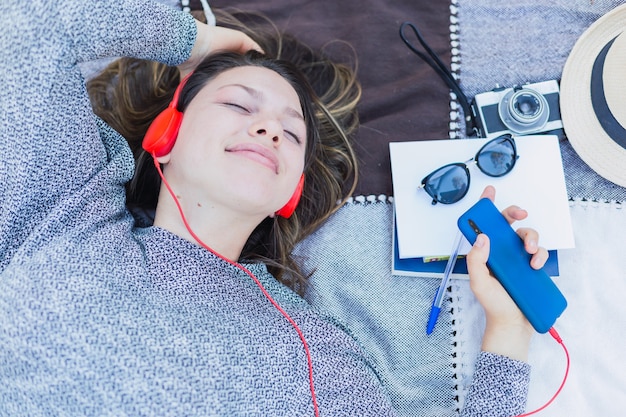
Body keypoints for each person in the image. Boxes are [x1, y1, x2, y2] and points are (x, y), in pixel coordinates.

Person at [0, 0, 546, 416]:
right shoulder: (66, 213)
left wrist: (509, 328)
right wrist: (192, 39)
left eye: (291, 131)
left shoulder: (311, 353)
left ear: (288, 192)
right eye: (238, 104)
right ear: (166, 134)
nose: (268, 128)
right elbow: (26, 27)